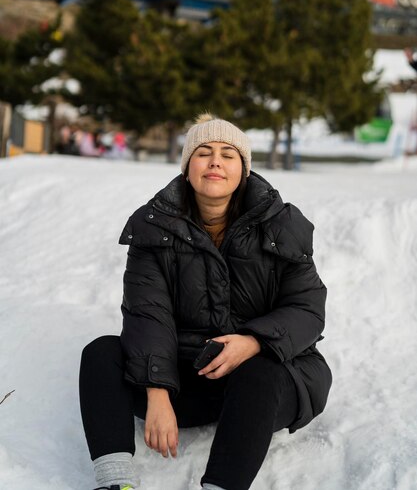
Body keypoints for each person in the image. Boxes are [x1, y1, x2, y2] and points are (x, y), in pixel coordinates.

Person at [79, 113, 332, 490]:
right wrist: (157, 390)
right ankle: (116, 482)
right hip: (188, 377)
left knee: (258, 371)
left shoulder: (282, 226)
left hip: (271, 379)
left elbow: (307, 309)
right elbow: (148, 314)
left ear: (243, 170)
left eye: (228, 154)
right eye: (204, 152)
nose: (215, 161)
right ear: (187, 168)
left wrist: (253, 341)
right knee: (101, 353)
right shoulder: (153, 229)